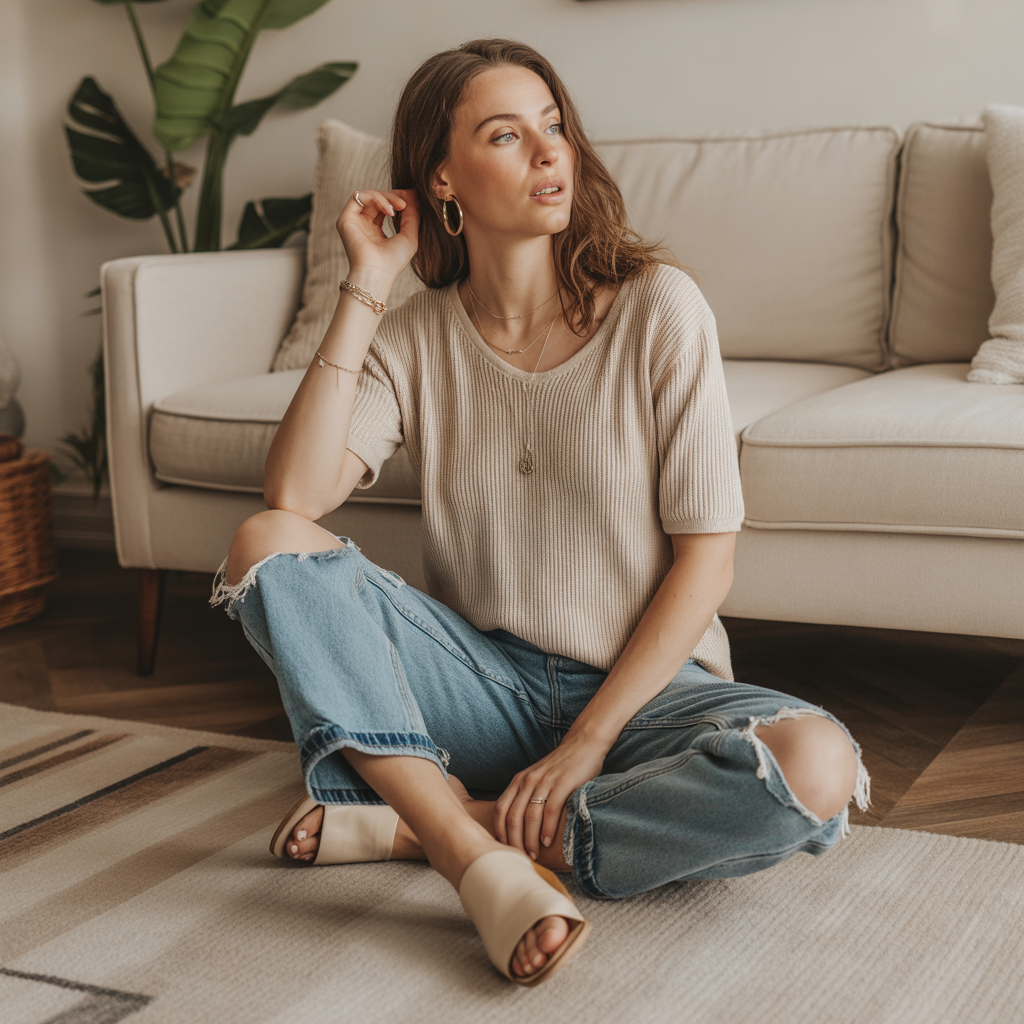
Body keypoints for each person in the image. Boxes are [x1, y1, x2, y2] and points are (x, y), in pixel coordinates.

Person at [210, 38, 871, 987]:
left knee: (816, 766)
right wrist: (369, 281)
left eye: (554, 127)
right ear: (443, 177)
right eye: (508, 136)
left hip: (650, 694)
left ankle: (419, 828)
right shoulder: (418, 336)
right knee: (264, 543)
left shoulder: (659, 309)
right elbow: (296, 498)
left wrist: (589, 742)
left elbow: (706, 565)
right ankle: (474, 857)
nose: (550, 153)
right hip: (481, 681)